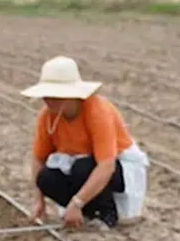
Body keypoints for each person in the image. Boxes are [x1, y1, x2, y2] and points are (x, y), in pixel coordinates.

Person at [23, 56, 150, 230]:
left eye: (54, 95)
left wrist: (76, 203)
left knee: (82, 168)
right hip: (79, 165)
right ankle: (86, 213)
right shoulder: (47, 116)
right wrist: (39, 200)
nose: (47, 100)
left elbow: (107, 165)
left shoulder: (97, 112)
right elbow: (39, 158)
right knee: (46, 178)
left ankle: (106, 214)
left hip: (115, 167)